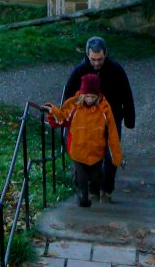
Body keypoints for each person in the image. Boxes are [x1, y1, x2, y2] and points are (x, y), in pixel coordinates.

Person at [62, 35, 135, 202]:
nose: (96, 63)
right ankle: (92, 188)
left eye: (99, 59)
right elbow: (68, 96)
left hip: (112, 116)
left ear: (105, 54)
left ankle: (106, 189)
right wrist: (66, 117)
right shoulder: (80, 70)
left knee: (110, 155)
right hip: (88, 121)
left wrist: (129, 119)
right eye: (93, 59)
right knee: (89, 154)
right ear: (88, 55)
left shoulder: (116, 69)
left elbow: (127, 94)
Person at [46, 74, 123, 207]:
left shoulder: (104, 108)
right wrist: (52, 110)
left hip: (96, 152)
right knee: (81, 178)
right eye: (87, 96)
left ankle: (94, 190)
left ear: (97, 95)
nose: (89, 99)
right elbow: (62, 117)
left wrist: (116, 157)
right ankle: (82, 196)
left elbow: (112, 133)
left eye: (92, 97)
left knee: (96, 177)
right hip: (78, 150)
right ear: (82, 94)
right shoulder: (74, 106)